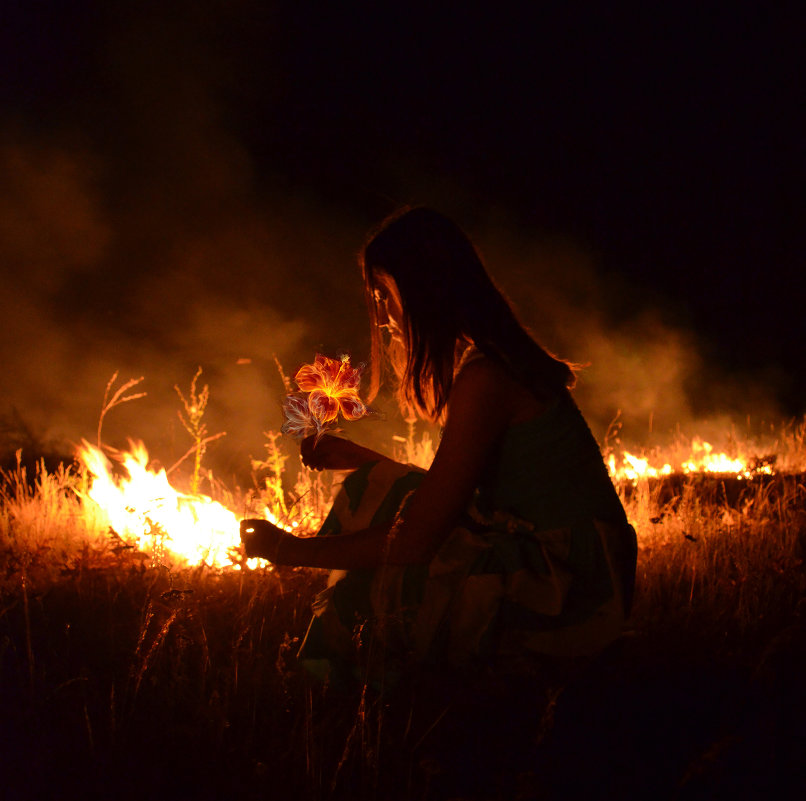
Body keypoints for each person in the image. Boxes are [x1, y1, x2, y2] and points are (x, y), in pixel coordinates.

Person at [241, 207, 636, 682]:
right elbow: (450, 500)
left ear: (423, 290)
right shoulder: (489, 365)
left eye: (385, 294)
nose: (384, 315)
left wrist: (289, 551)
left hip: (569, 581)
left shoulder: (487, 377)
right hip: (561, 557)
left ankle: (329, 693)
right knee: (379, 485)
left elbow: (417, 536)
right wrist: (365, 462)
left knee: (384, 569)